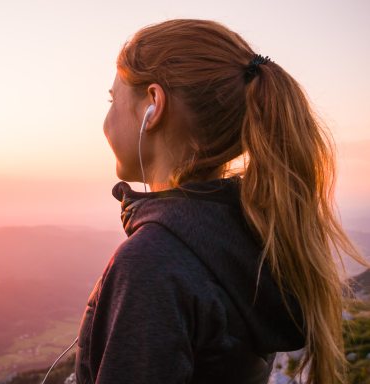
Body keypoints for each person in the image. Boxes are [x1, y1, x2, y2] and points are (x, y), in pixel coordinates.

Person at [73, 19, 369, 384]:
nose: (106, 119)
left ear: (153, 104)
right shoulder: (249, 236)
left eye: (112, 100)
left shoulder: (151, 264)